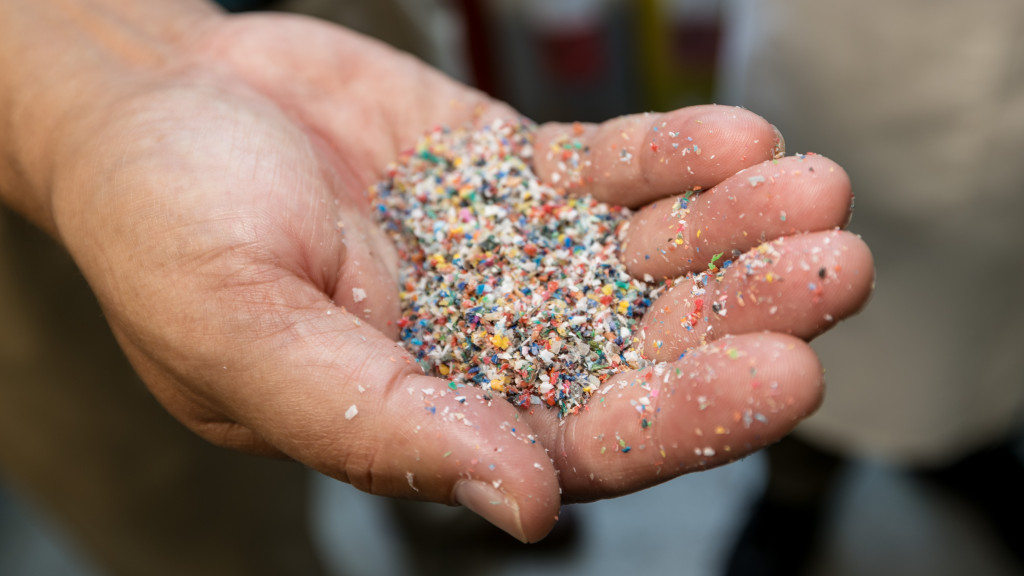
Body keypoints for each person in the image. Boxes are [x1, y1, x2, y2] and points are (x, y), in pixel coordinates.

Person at [0, 1, 873, 573]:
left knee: (434, 435)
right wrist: (82, 97)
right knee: (189, 520)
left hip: (319, 48)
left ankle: (449, 515)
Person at [717, 1, 1024, 574]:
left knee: (972, 333)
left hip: (1000, 86)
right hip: (820, 60)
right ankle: (792, 494)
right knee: (796, 331)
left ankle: (965, 446)